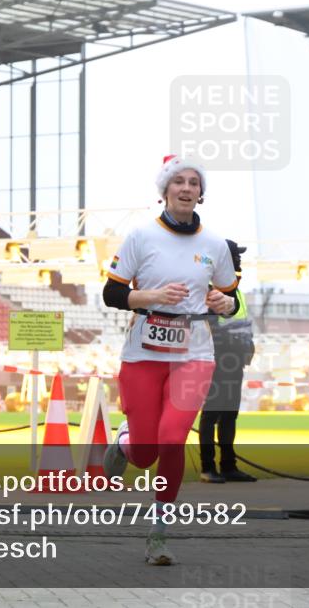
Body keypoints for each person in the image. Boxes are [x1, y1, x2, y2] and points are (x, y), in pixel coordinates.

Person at [101, 154, 239, 566]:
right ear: (164, 191)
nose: (185, 188)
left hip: (194, 354)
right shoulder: (140, 237)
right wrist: (151, 297)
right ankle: (126, 444)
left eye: (193, 182)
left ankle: (158, 535)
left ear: (201, 193)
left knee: (173, 439)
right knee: (146, 452)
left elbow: (232, 300)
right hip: (143, 353)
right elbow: (112, 294)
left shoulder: (216, 244)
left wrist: (225, 302)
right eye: (177, 181)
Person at [199, 240, 257, 484]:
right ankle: (208, 467)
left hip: (235, 362)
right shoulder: (211, 289)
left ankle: (228, 465)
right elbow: (209, 327)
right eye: (235, 256)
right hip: (217, 361)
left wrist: (248, 345)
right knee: (212, 413)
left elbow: (241, 324)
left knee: (229, 414)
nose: (239, 261)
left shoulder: (236, 291)